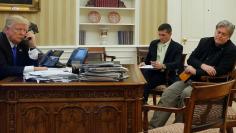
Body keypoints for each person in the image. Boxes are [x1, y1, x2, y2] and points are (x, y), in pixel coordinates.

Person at [149, 20, 236, 128]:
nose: (219, 36)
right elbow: (191, 59)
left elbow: (219, 71)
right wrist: (203, 66)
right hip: (191, 79)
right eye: (218, 32)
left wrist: (196, 70)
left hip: (211, 85)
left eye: (223, 34)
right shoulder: (205, 41)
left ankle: (180, 127)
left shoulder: (231, 50)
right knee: (168, 92)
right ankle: (153, 127)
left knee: (186, 94)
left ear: (229, 36)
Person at [140, 23, 183, 103]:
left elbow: (177, 63)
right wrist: (144, 63)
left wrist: (163, 66)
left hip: (165, 74)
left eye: (163, 35)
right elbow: (148, 59)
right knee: (143, 75)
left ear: (170, 34)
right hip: (152, 71)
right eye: (159, 35)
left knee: (145, 82)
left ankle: (142, 103)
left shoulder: (177, 47)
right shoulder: (153, 44)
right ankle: (141, 102)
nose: (161, 37)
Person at [0, 15, 47, 80]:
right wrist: (33, 69)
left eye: (25, 30)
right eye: (18, 29)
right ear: (6, 29)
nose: (22, 33)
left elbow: (32, 66)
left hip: (15, 83)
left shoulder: (22, 44)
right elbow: (3, 69)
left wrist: (32, 47)